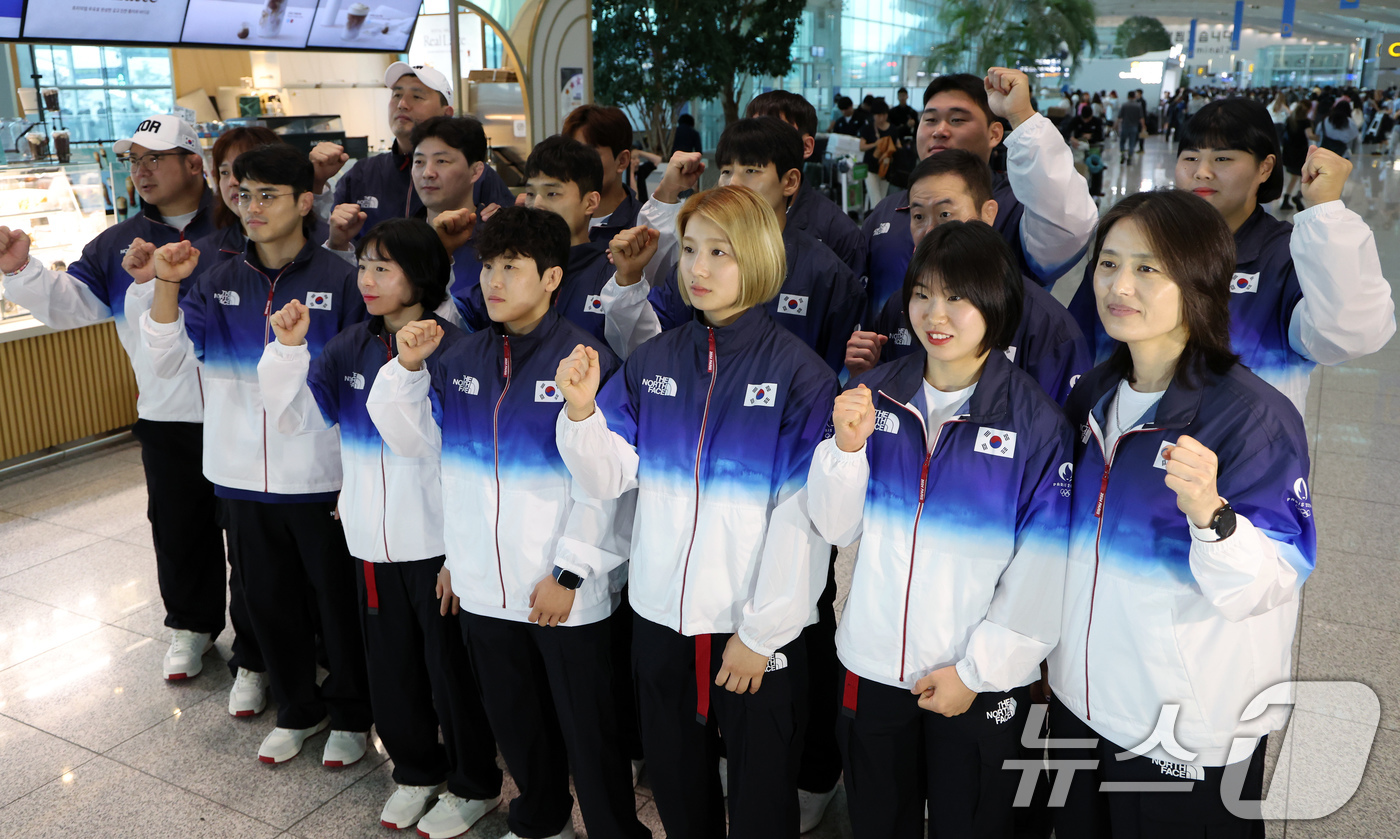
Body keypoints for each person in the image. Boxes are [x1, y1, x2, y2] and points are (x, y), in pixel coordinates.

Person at [554, 185, 838, 839]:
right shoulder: (654, 360)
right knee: (678, 784)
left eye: (721, 251)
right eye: (689, 250)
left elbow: (807, 521)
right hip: (660, 617)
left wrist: (762, 634)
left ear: (760, 258)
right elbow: (609, 477)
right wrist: (581, 413)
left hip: (750, 628)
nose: (699, 268)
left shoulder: (803, 376)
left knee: (763, 793)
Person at [368, 207, 648, 839]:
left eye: (511, 268)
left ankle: (612, 828)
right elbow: (429, 456)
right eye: (487, 266)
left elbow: (607, 486)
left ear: (551, 277)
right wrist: (408, 372)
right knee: (515, 718)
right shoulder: (459, 357)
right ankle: (540, 815)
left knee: (587, 725)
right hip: (484, 588)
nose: (493, 281)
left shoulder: (586, 359)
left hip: (560, 590)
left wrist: (571, 572)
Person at [1049, 189, 1316, 837]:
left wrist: (1212, 517)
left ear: (1199, 280)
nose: (1119, 285)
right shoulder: (1093, 393)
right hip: (1081, 699)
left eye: (1148, 268)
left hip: (1182, 724)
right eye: (1109, 263)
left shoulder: (1250, 417)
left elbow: (1271, 581)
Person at [809, 220, 1071, 839]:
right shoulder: (876, 394)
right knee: (877, 816)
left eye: (958, 296)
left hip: (973, 679)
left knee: (973, 821)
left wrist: (975, 673)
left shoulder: (1035, 423)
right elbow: (833, 526)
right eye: (923, 293)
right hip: (874, 663)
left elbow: (1042, 572)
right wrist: (846, 452)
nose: (936, 312)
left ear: (997, 302)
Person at [0, 115, 268, 711]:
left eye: (156, 158)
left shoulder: (241, 225)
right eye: (134, 160)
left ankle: (256, 651)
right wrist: (22, 269)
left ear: (194, 164)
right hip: (168, 413)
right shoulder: (116, 241)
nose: (141, 170)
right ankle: (192, 625)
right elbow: (76, 309)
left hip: (247, 412)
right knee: (178, 528)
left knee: (252, 541)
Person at [255, 218, 503, 836]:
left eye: (382, 267)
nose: (365, 279)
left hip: (440, 549)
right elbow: (295, 423)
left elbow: (465, 458)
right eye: (363, 265)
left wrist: (459, 555)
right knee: (391, 670)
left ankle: (474, 784)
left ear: (420, 276)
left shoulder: (459, 347)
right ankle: (417, 772)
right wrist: (288, 352)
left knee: (451, 678)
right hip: (371, 546)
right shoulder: (346, 347)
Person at [131, 144, 372, 766]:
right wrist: (165, 282)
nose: (252, 206)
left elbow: (356, 385)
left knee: (335, 606)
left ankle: (350, 713)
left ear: (305, 201)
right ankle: (298, 708)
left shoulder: (342, 280)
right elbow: (167, 362)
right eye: (243, 193)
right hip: (239, 475)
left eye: (268, 195)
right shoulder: (216, 278)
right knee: (266, 603)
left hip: (321, 476)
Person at [1069, 98, 1396, 415]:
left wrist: (1325, 212)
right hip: (1117, 445)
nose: (1202, 172)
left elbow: (1347, 335)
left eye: (1222, 159)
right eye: (1190, 157)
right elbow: (1076, 351)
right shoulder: (1134, 243)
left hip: (1233, 457)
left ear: (1265, 167)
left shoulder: (1286, 255)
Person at [850, 151, 1092, 406]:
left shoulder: (1047, 328)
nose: (930, 230)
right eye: (918, 216)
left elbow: (1062, 430)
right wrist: (865, 376)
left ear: (988, 214)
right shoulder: (901, 306)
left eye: (945, 214)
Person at [863, 68, 1098, 324]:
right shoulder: (886, 210)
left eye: (957, 120)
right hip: (897, 362)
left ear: (994, 134)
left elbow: (1068, 226)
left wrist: (1021, 117)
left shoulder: (1018, 208)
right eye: (930, 120)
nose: (939, 130)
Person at [645, 117, 865, 374]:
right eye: (726, 171)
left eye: (751, 170)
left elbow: (835, 377)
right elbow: (654, 343)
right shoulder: (691, 267)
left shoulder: (827, 275)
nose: (732, 184)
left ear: (790, 182)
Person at [322, 63, 513, 239]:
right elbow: (328, 237)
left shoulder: (476, 175)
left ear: (447, 114)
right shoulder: (362, 174)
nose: (402, 104)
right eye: (396, 95)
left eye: (417, 96)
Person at [745, 90, 867, 277]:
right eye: (753, 131)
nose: (759, 143)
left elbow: (850, 302)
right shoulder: (726, 214)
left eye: (774, 132)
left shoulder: (838, 232)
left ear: (807, 147)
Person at [199, 127, 331, 269]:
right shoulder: (202, 254)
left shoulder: (328, 242)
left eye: (246, 171)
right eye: (224, 172)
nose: (233, 181)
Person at [562, 104, 643, 242]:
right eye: (572, 153)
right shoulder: (557, 217)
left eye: (588, 153)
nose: (577, 163)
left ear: (622, 161)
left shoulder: (641, 225)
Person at [1280, 100, 1317, 211]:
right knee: (1307, 177)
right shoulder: (1305, 122)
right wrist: (1320, 137)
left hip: (1289, 153)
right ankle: (1298, 196)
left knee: (1294, 177)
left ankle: (1285, 200)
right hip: (1300, 153)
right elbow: (1309, 135)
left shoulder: (1289, 120)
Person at [860, 99, 896, 206]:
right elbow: (862, 146)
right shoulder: (867, 128)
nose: (881, 118)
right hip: (870, 169)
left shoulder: (893, 129)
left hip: (885, 169)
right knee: (876, 200)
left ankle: (877, 221)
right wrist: (876, 144)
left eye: (884, 115)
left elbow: (897, 146)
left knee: (882, 199)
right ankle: (876, 222)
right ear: (873, 115)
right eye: (878, 115)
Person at [1115, 90, 1145, 166]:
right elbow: (1141, 118)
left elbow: (1119, 117)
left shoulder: (1124, 105)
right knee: (1132, 143)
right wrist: (1143, 126)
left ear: (1128, 97)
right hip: (1134, 127)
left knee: (1122, 142)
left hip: (1125, 126)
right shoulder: (1138, 106)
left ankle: (1122, 154)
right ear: (1134, 97)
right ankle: (1130, 157)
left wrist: (1115, 125)